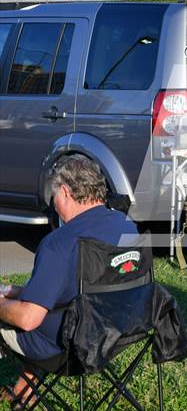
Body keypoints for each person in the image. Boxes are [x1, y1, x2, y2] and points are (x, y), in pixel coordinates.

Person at [0, 154, 138, 407]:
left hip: (68, 347)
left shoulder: (60, 243)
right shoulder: (127, 226)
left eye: (53, 196)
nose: (53, 205)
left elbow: (28, 319)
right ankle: (23, 391)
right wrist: (18, 292)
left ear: (64, 192)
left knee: (24, 318)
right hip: (115, 335)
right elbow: (74, 291)